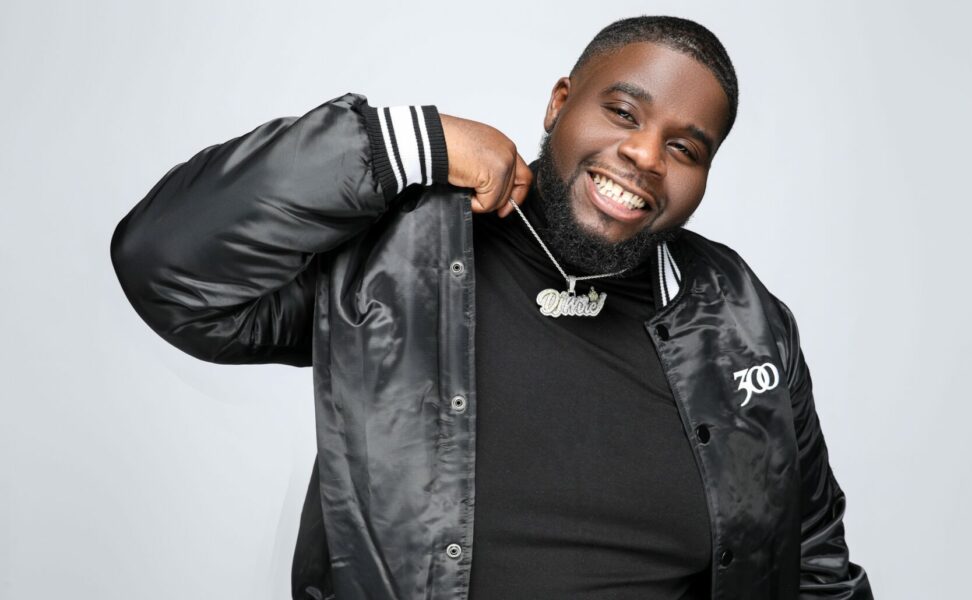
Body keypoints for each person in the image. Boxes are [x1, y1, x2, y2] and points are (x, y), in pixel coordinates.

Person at [110, 15, 873, 600]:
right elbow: (168, 266)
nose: (646, 155)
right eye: (623, 112)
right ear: (560, 103)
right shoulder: (398, 266)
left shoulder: (742, 321)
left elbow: (812, 558)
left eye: (686, 148)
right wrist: (411, 144)